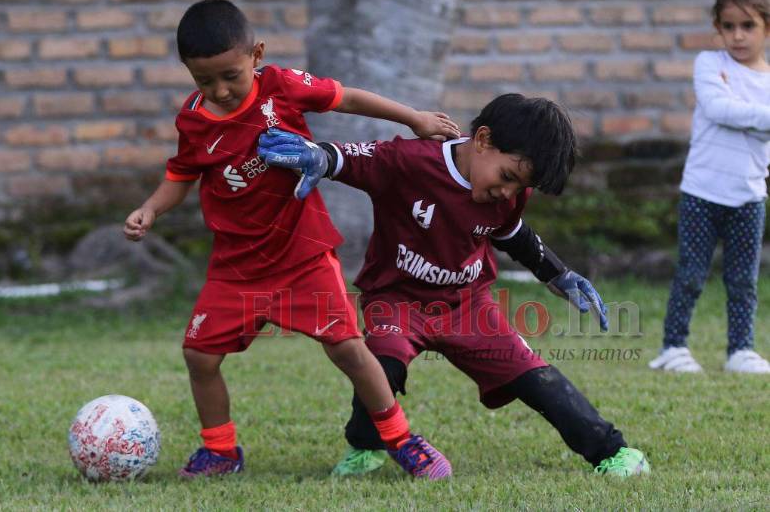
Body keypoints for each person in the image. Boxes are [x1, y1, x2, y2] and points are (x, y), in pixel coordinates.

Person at [123, 0, 461, 479]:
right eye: (204, 80)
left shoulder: (281, 87)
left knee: (347, 348)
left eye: (230, 75)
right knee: (199, 355)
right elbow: (181, 175)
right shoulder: (193, 120)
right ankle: (220, 451)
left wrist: (414, 118)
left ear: (256, 55)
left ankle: (402, 440)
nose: (219, 90)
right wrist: (150, 209)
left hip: (302, 255)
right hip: (236, 268)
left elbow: (348, 97)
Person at [258, 93, 650, 478]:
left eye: (519, 188)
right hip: (397, 301)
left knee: (535, 376)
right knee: (381, 362)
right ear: (482, 140)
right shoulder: (410, 162)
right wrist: (318, 156)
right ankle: (365, 447)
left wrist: (556, 273)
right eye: (507, 178)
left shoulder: (508, 194)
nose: (508, 193)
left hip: (468, 305)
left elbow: (511, 232)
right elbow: (348, 158)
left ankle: (613, 451)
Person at [649, 0, 770, 374]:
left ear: (766, 27)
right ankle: (673, 348)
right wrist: (757, 118)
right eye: (728, 26)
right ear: (718, 27)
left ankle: (741, 351)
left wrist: (743, 114)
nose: (738, 36)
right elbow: (718, 109)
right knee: (691, 275)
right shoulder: (709, 64)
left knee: (743, 280)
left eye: (748, 26)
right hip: (701, 193)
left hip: (749, 197)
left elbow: (740, 117)